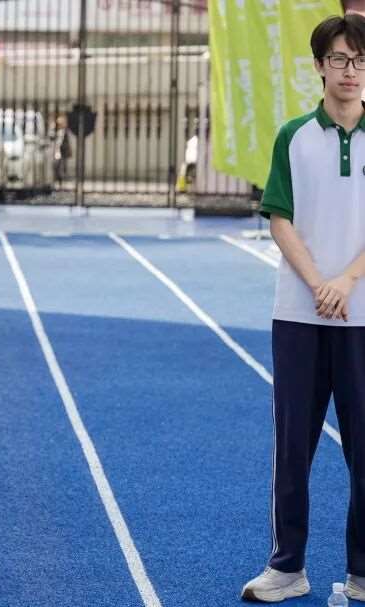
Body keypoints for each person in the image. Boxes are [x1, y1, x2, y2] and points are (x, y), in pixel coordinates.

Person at [241, 15, 365, 602]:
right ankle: (287, 567)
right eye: (339, 58)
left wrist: (347, 279)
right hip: (298, 314)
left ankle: (362, 572)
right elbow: (279, 218)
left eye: (359, 60)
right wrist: (319, 283)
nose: (350, 70)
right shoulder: (293, 136)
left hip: (361, 316)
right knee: (293, 447)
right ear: (319, 65)